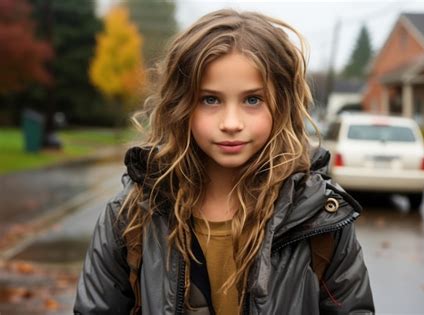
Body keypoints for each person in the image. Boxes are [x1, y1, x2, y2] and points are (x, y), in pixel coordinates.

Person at [74, 9, 374, 315]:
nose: (231, 123)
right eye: (210, 99)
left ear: (281, 104)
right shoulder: (130, 216)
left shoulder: (317, 216)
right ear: (181, 105)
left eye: (253, 99)